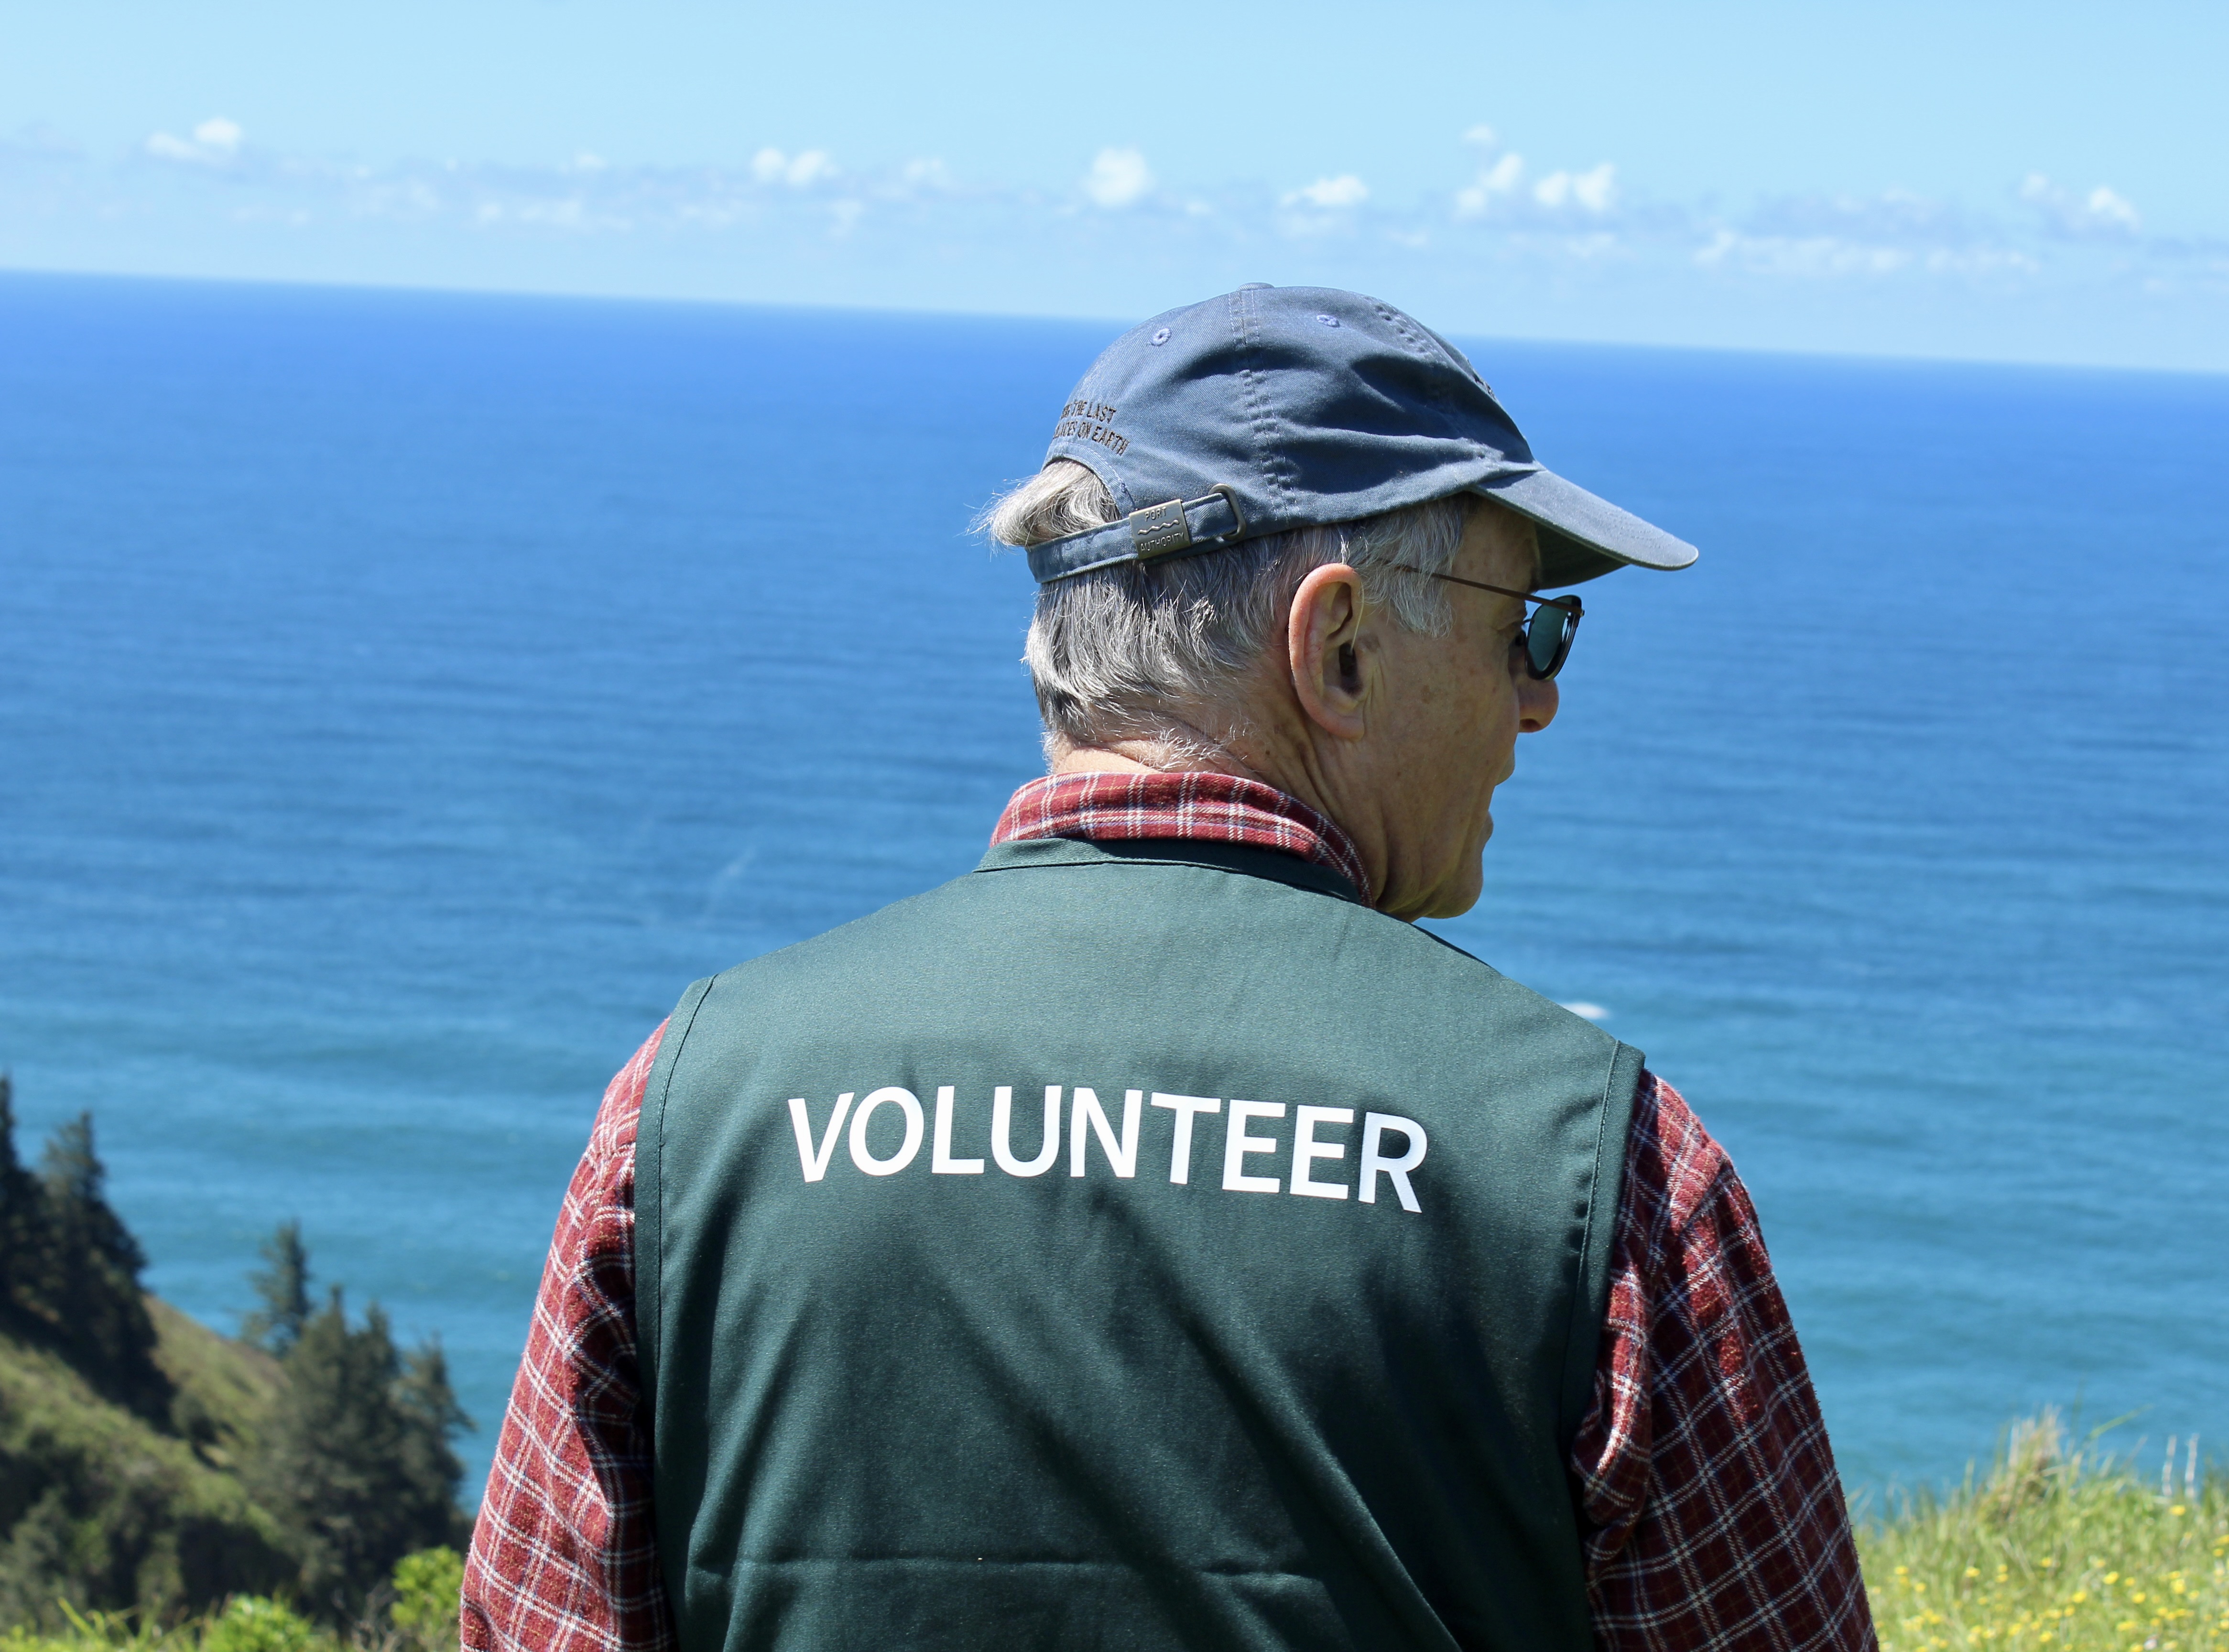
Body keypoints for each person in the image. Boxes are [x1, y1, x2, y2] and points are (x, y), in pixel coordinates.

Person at [462, 284, 1876, 1652]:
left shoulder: (688, 1114)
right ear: (1337, 650)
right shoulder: (1604, 1168)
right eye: (1529, 626)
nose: (1541, 699)